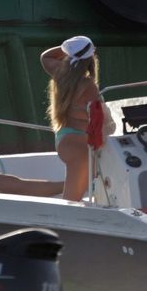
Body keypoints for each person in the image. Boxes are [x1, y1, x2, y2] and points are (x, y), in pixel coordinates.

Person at [39, 36, 105, 202]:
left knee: (77, 196)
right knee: (71, 201)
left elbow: (45, 56)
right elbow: (99, 119)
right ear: (90, 59)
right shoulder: (88, 85)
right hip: (79, 145)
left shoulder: (60, 73)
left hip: (65, 137)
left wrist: (70, 47)